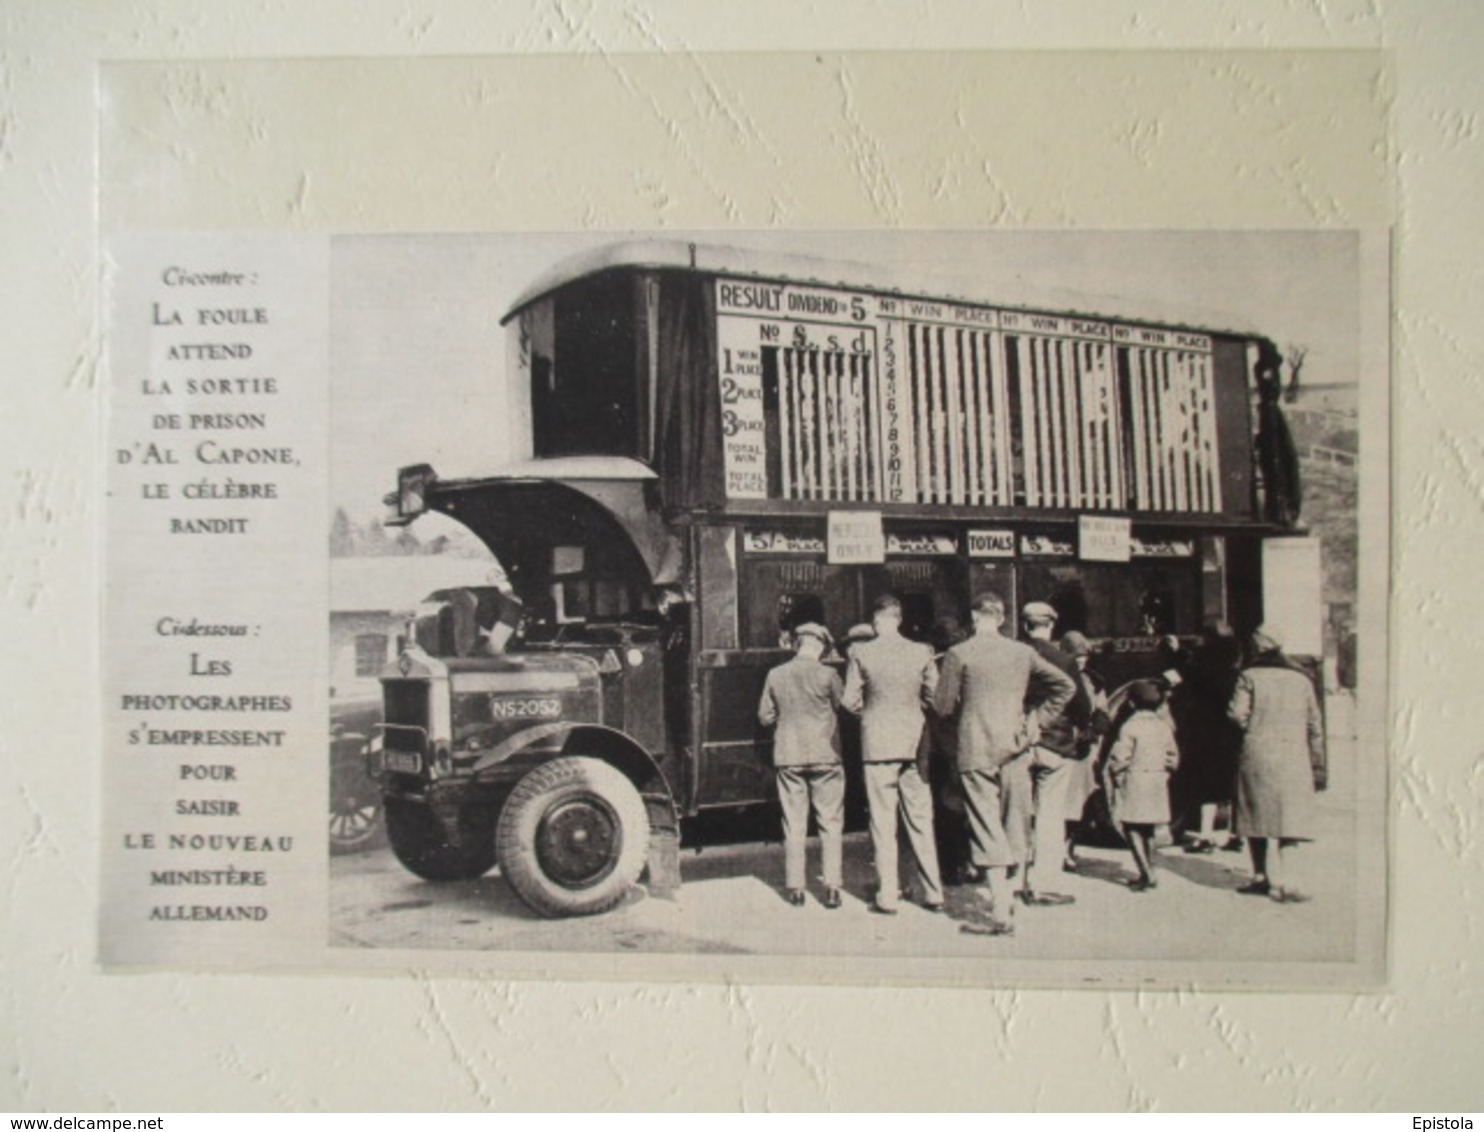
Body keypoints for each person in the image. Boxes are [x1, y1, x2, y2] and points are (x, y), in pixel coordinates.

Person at [933, 592, 1076, 937]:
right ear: (1001, 618)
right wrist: (1036, 720)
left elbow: (942, 707)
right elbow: (1066, 686)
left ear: (973, 617)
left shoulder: (959, 653)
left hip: (976, 749)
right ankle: (1009, 897)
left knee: (985, 825)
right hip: (1017, 747)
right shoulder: (1022, 652)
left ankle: (1000, 910)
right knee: (1016, 823)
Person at [843, 595, 943, 915]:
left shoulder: (862, 652)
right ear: (898, 619)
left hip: (877, 745)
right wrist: (916, 713)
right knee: (921, 819)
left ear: (876, 622)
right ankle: (933, 891)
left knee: (883, 822)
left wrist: (869, 717)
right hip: (914, 742)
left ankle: (888, 894)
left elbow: (849, 701)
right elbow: (935, 697)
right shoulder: (921, 652)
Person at [1228, 625, 1327, 904]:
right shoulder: (1301, 680)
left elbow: (1236, 715)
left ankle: (1261, 877)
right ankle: (1287, 882)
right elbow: (1314, 724)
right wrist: (1316, 760)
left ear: (1258, 647)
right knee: (1290, 817)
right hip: (1293, 755)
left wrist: (1254, 728)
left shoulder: (1249, 676)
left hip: (1257, 753)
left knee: (1254, 815)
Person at [1004, 602, 1091, 907]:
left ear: (1024, 625)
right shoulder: (1064, 660)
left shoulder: (1011, 655)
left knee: (1016, 813)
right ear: (1051, 625)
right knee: (1050, 815)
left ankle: (1013, 880)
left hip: (1017, 743)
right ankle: (1042, 884)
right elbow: (1082, 706)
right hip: (1055, 744)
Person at [757, 623, 846, 908]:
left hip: (789, 757)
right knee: (830, 822)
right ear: (820, 646)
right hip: (826, 757)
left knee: (794, 824)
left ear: (798, 644)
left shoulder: (776, 675)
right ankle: (832, 888)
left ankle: (796, 889)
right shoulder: (829, 674)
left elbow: (765, 717)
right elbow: (843, 705)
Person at [1167, 622, 1243, 853]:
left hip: (1205, 734)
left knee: (1205, 787)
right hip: (1229, 733)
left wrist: (1177, 651)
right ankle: (1232, 834)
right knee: (1228, 785)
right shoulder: (1233, 668)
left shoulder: (1205, 667)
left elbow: (1190, 675)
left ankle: (1206, 835)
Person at [1107, 680, 1181, 891]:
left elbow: (1120, 757)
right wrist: (1164, 772)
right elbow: (1173, 757)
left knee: (1131, 825)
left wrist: (1116, 776)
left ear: (1131, 703)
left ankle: (1146, 874)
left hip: (1136, 779)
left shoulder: (1130, 726)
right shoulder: (1163, 727)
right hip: (1157, 781)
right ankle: (1151, 869)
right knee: (1148, 827)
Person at [1058, 630, 1110, 873]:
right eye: (1076, 657)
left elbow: (1103, 709)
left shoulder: (1094, 680)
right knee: (1062, 803)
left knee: (1082, 803)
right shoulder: (1057, 677)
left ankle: (1069, 847)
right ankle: (1059, 849)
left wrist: (1097, 727)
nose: (1081, 662)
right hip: (1064, 747)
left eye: (1084, 658)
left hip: (1085, 748)